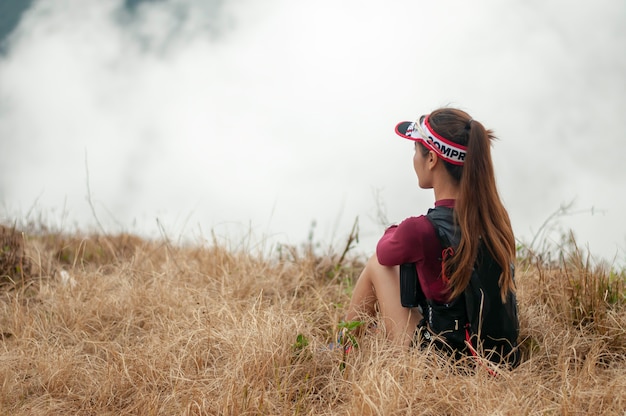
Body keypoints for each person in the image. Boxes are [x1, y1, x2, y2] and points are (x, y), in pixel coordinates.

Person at [342, 107, 519, 364]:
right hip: (497, 360)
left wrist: (397, 229)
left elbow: (385, 251)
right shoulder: (495, 221)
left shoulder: (420, 230)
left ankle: (343, 350)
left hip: (442, 364)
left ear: (432, 159)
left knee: (377, 265)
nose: (414, 157)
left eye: (416, 149)